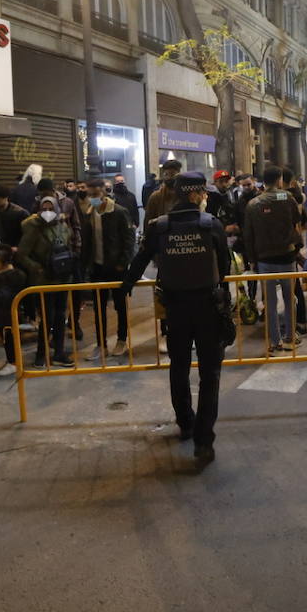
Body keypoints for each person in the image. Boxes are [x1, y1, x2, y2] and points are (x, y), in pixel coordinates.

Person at [120, 172, 230, 464]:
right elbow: (226, 267)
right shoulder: (211, 226)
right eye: (203, 194)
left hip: (175, 309)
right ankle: (204, 441)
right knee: (210, 374)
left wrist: (126, 285)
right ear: (195, 195)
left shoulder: (160, 227)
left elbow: (140, 259)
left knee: (178, 367)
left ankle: (186, 423)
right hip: (208, 308)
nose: (206, 197)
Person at [242, 166, 303, 353]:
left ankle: (275, 340)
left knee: (270, 301)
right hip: (286, 255)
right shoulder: (287, 198)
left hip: (264, 258)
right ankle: (290, 336)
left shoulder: (253, 203)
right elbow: (296, 220)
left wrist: (252, 259)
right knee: (288, 297)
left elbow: (248, 234)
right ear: (279, 180)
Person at [79, 177, 136, 359]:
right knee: (99, 307)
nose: (92, 197)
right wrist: (86, 264)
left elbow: (129, 240)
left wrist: (122, 263)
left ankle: (121, 340)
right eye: (90, 194)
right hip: (97, 268)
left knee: (120, 305)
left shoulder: (119, 212)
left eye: (95, 193)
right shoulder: (90, 212)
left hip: (117, 268)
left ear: (104, 191)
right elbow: (88, 242)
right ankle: (101, 344)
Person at [17, 195, 76, 366]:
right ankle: (41, 354)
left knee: (60, 317)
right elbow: (22, 254)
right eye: (44, 209)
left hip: (62, 278)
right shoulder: (33, 228)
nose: (48, 212)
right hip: (44, 280)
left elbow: (68, 246)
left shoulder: (63, 226)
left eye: (51, 209)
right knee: (47, 318)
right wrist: (37, 268)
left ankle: (58, 352)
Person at [143, 158, 184, 227]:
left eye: (172, 174)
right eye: (166, 174)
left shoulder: (186, 195)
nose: (169, 177)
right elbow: (148, 222)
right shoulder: (156, 197)